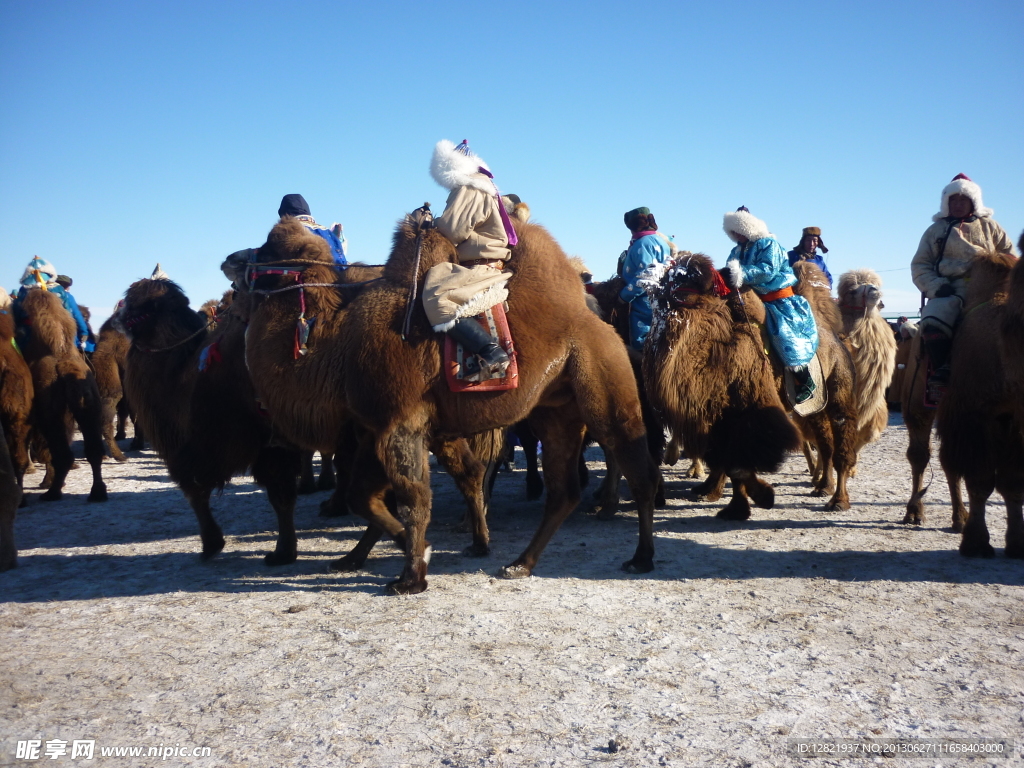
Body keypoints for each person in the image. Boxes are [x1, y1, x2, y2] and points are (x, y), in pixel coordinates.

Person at [911, 173, 1014, 392]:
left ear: (973, 202)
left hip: (989, 287)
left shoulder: (991, 227)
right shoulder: (935, 231)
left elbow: (1009, 256)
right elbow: (920, 265)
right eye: (953, 200)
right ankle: (943, 369)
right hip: (950, 288)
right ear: (946, 203)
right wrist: (936, 286)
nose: (958, 204)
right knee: (933, 320)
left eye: (963, 200)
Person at [423, 139, 515, 379]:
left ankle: (491, 352)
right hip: (479, 263)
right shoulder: (479, 185)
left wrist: (427, 226)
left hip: (481, 267)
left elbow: (453, 230)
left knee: (437, 297)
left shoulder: (470, 187)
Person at [722, 207, 820, 404]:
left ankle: (805, 380)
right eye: (732, 232)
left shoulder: (769, 244)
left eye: (738, 231)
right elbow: (730, 270)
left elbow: (768, 270)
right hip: (751, 299)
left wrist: (741, 273)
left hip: (779, 301)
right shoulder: (737, 249)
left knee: (785, 335)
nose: (736, 236)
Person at [618, 208, 673, 350]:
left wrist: (624, 295)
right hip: (661, 299)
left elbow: (647, 274)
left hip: (643, 302)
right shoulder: (661, 241)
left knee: (643, 342)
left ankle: (644, 368)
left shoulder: (642, 244)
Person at [13, 257, 91, 352]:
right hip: (59, 332)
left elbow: (16, 312)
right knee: (71, 350)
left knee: (16, 354)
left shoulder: (24, 290)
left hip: (28, 332)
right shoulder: (59, 290)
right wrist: (84, 332)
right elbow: (70, 313)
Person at [277, 194, 348, 267]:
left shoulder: (283, 232)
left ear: (283, 214)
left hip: (296, 276)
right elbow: (341, 263)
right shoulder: (328, 233)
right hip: (332, 275)